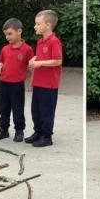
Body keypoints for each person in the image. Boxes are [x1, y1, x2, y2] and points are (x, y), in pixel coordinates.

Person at [27, 9, 64, 148]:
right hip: (38, 82)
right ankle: (38, 132)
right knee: (35, 110)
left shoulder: (54, 41)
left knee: (46, 111)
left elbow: (57, 60)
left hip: (49, 84)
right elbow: (42, 56)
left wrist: (40, 63)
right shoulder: (41, 42)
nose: (35, 26)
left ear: (48, 25)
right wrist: (35, 58)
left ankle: (47, 137)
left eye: (37, 23)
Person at [0, 18, 33, 142]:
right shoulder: (5, 49)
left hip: (17, 85)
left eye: (10, 34)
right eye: (6, 35)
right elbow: (2, 62)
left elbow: (32, 66)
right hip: (4, 83)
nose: (7, 37)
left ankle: (19, 130)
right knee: (3, 108)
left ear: (19, 31)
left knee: (18, 109)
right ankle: (3, 129)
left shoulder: (27, 49)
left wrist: (33, 81)